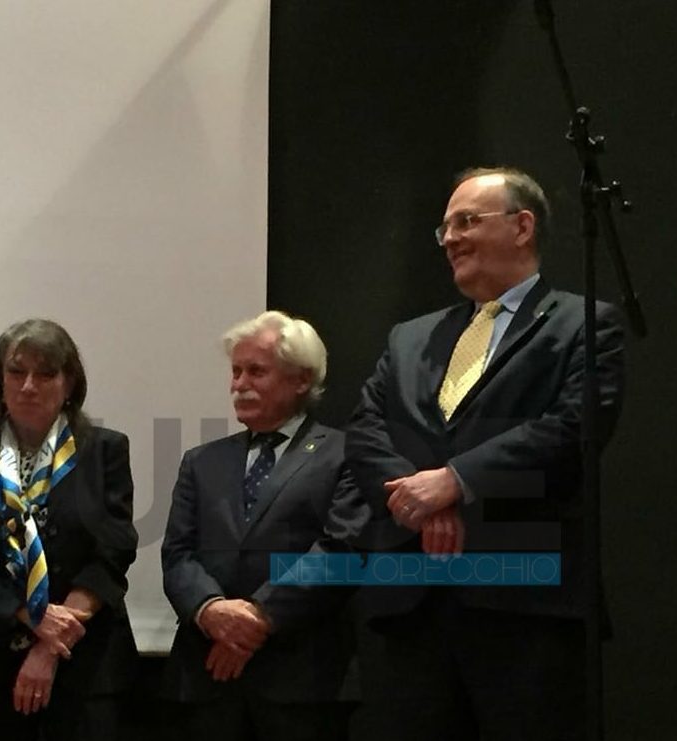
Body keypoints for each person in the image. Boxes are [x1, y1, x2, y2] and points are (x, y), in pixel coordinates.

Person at [345, 167, 626, 740]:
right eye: (445, 228)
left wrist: (456, 480)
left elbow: (574, 426)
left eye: (467, 221)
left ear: (522, 227)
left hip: (526, 605)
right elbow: (366, 429)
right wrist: (422, 498)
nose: (450, 238)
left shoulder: (583, 324)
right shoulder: (409, 338)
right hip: (413, 608)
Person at [161, 310, 368, 741]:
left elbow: (341, 551)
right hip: (206, 677)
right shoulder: (202, 461)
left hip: (303, 680)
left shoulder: (347, 454)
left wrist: (259, 617)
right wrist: (211, 610)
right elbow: (178, 556)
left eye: (256, 371)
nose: (239, 384)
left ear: (301, 379)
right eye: (235, 372)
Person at [0, 318, 138, 740]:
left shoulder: (105, 450)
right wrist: (30, 616)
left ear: (69, 384)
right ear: (0, 381)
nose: (29, 386)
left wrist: (50, 644)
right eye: (16, 371)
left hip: (86, 664)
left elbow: (113, 551)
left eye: (45, 374)